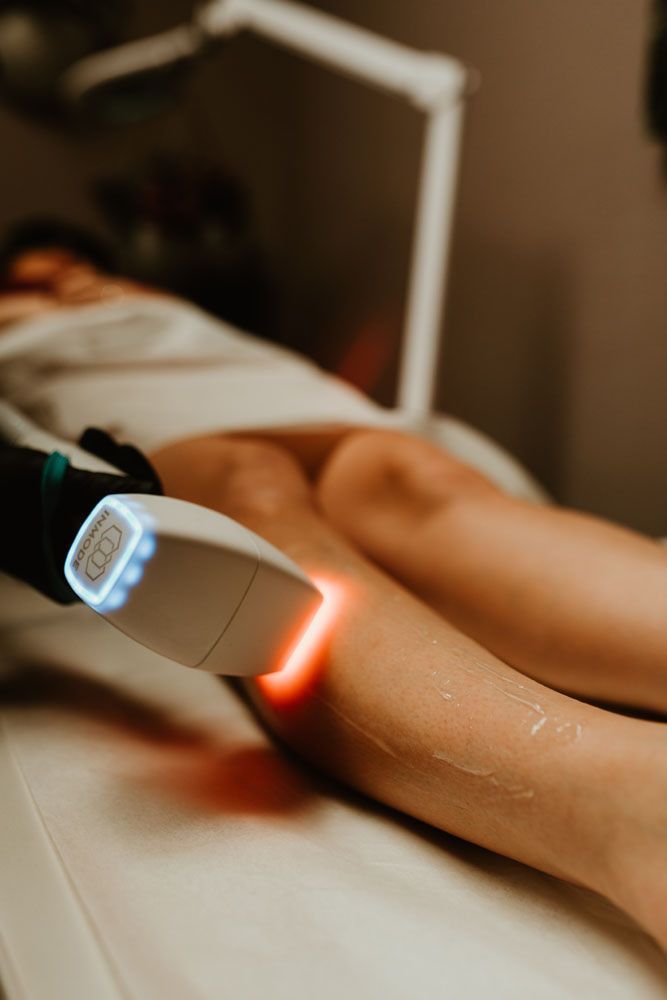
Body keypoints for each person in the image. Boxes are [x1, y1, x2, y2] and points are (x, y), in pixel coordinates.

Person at [2, 246, 666, 951]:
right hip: (141, 410)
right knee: (250, 486)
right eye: (31, 270)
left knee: (416, 483)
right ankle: (628, 801)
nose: (60, 274)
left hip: (280, 392)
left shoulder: (157, 305)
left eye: (73, 261)